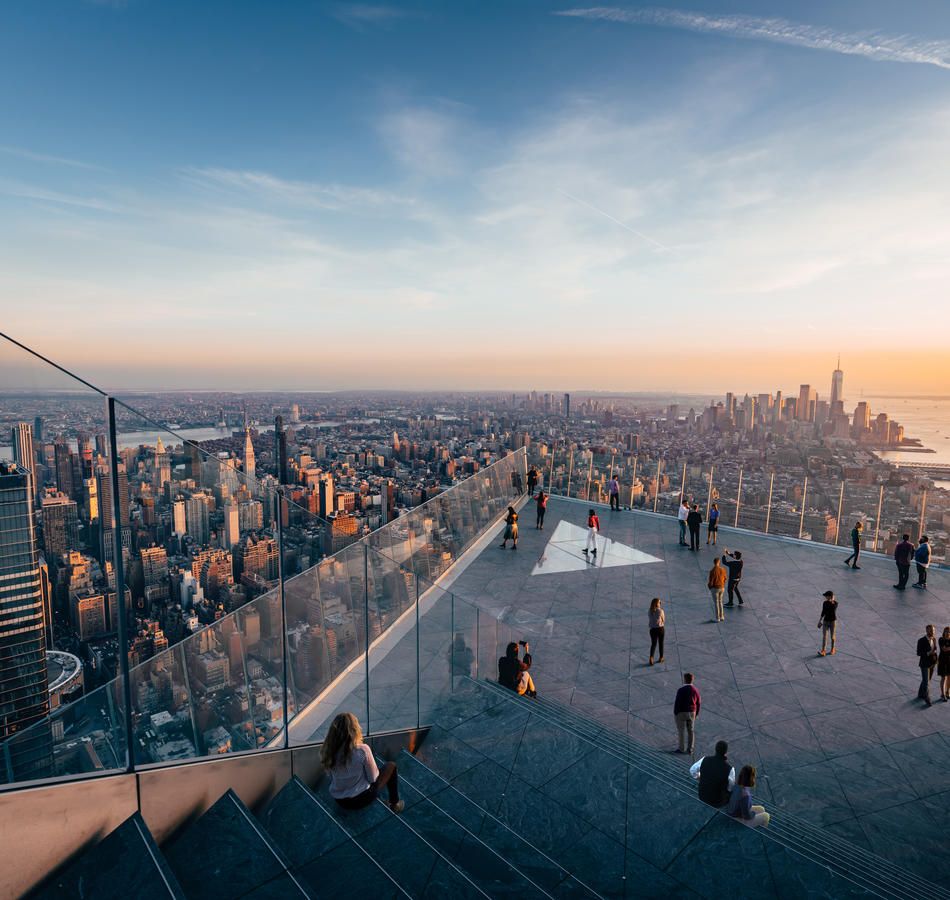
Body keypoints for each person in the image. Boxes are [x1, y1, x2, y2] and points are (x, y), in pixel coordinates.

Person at [321, 712, 404, 813]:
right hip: (361, 800)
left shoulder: (329, 750)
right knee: (391, 766)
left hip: (340, 800)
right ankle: (395, 804)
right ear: (355, 729)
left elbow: (331, 774)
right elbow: (373, 778)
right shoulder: (362, 750)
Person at [689, 740, 735, 808]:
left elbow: (692, 770)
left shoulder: (705, 759)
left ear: (715, 749)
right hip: (717, 801)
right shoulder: (730, 769)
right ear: (726, 752)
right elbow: (730, 788)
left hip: (702, 795)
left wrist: (700, 777)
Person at [673, 672, 700, 755]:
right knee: (691, 731)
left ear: (685, 680)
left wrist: (676, 712)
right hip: (692, 712)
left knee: (681, 731)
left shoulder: (681, 690)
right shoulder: (695, 690)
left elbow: (677, 702)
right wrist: (696, 713)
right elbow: (698, 702)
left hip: (681, 712)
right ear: (692, 680)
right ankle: (690, 749)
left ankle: (681, 748)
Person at [917, 624, 938, 706]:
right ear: (926, 631)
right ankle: (927, 698)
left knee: (926, 680)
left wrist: (936, 661)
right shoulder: (921, 640)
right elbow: (918, 653)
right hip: (924, 664)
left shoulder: (934, 639)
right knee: (926, 682)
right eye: (930, 630)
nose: (932, 632)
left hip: (932, 663)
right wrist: (928, 653)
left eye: (933, 630)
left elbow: (935, 650)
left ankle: (920, 694)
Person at [817, 590, 838, 656]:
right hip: (825, 621)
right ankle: (823, 651)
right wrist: (820, 621)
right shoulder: (824, 603)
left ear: (830, 596)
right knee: (824, 636)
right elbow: (823, 612)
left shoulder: (835, 603)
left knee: (832, 637)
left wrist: (832, 600)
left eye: (826, 596)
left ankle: (832, 649)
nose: (825, 597)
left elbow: (833, 609)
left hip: (832, 622)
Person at [707, 558, 727, 622]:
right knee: (720, 602)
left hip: (715, 588)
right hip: (722, 588)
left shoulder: (712, 571)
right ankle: (722, 617)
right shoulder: (723, 569)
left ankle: (717, 618)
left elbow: (711, 582)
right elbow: (725, 578)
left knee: (716, 603)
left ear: (714, 562)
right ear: (719, 562)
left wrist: (710, 588)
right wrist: (723, 585)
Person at [648, 597, 665, 665]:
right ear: (657, 604)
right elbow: (663, 619)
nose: (660, 603)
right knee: (661, 643)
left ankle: (651, 657)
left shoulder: (649, 611)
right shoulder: (660, 611)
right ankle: (661, 657)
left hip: (652, 629)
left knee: (653, 644)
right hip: (660, 629)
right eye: (660, 602)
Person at [938, 626, 950, 702]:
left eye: (949, 632)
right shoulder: (941, 639)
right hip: (943, 661)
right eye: (946, 631)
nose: (948, 633)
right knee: (943, 678)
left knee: (949, 678)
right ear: (944, 632)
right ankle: (942, 694)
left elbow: (947, 648)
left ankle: (947, 692)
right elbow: (944, 649)